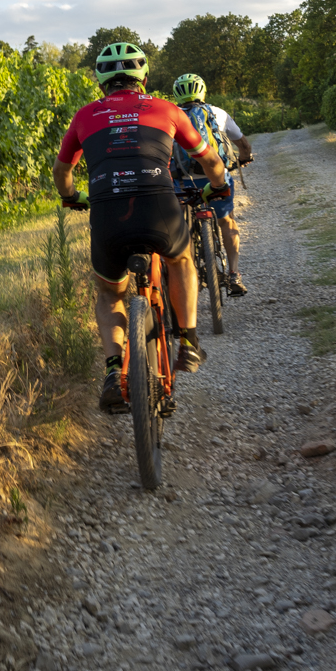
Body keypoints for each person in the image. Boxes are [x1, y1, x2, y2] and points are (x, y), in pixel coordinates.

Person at [52, 43, 232, 410]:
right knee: (180, 260)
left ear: (101, 83)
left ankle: (114, 371)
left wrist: (71, 197)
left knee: (109, 294)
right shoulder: (166, 109)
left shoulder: (85, 115)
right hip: (158, 207)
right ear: (144, 79)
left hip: (107, 212)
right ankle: (189, 342)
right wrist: (219, 186)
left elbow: (62, 171)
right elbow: (209, 158)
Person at [169, 73, 254, 296]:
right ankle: (234, 274)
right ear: (203, 91)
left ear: (177, 94)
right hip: (215, 179)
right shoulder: (218, 113)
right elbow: (243, 144)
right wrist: (244, 157)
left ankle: (188, 275)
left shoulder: (170, 116)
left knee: (180, 227)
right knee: (227, 222)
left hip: (182, 182)